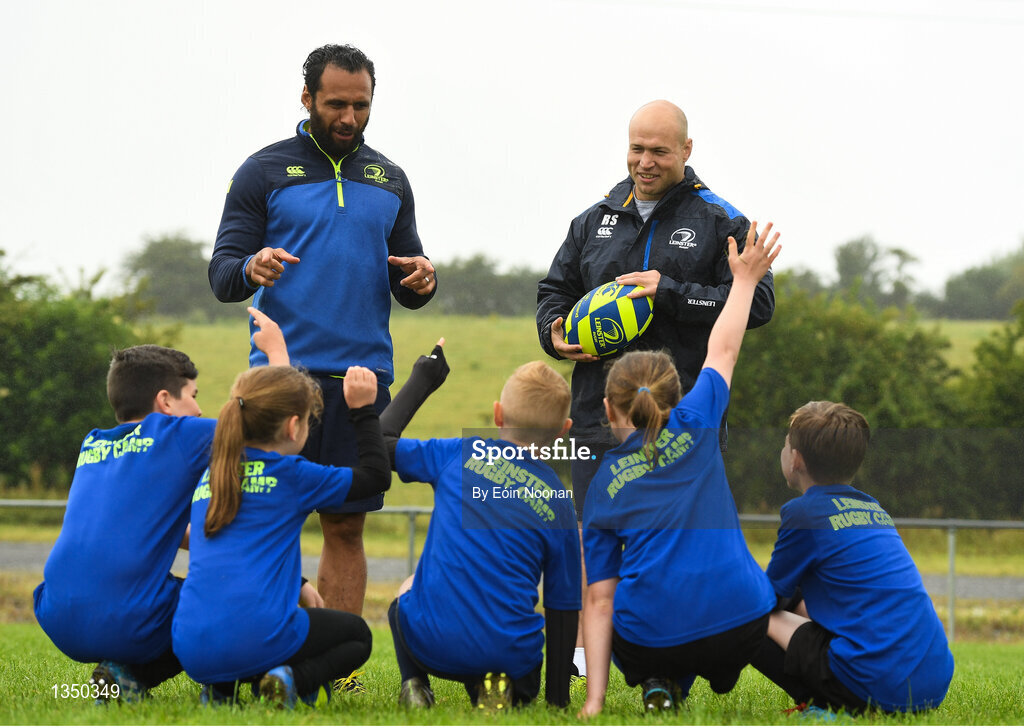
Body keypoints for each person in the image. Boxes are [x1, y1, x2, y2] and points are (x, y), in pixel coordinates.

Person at [536, 100, 775, 672]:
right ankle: (576, 656)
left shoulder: (721, 220)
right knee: (592, 531)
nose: (645, 162)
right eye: (637, 148)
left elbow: (758, 302)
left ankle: (676, 649)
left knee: (678, 539)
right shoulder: (593, 219)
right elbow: (553, 293)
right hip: (598, 414)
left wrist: (669, 290)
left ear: (686, 151)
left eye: (659, 151)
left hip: (682, 420)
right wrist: (555, 332)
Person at [208, 43, 437, 616]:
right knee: (262, 521)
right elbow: (222, 274)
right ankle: (258, 648)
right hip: (280, 381)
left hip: (361, 382)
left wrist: (423, 282)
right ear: (307, 97)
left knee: (346, 527)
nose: (349, 118)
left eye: (362, 106)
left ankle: (339, 664)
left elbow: (406, 274)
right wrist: (248, 267)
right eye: (336, 104)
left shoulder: (391, 179)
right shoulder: (261, 171)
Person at [33, 308, 287, 701]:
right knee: (221, 598)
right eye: (194, 396)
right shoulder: (179, 434)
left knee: (177, 594)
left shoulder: (93, 443)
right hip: (122, 620)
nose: (200, 410)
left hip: (55, 614)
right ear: (166, 401)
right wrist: (276, 353)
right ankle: (224, 686)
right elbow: (271, 425)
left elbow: (144, 530)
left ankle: (125, 677)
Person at [580, 222, 781, 716]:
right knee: (726, 615)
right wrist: (745, 280)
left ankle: (657, 680)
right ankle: (715, 673)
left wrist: (594, 701)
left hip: (653, 641)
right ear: (676, 396)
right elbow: (724, 349)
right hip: (739, 630)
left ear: (607, 409)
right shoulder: (698, 420)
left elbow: (599, 601)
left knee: (639, 604)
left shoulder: (604, 483)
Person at [171, 362, 392, 708]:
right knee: (357, 636)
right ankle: (290, 680)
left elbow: (240, 550)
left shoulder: (214, 475)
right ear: (293, 427)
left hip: (191, 646)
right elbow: (376, 477)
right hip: (258, 640)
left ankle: (220, 691)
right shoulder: (293, 475)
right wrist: (363, 410)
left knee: (234, 622)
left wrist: (298, 581)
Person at [379, 351, 581, 711]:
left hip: (431, 645)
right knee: (513, 638)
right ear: (564, 431)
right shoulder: (558, 500)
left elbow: (379, 445)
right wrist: (557, 702)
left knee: (407, 590)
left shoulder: (460, 453)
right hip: (510, 657)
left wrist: (422, 381)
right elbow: (563, 607)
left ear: (498, 414)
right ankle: (493, 686)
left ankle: (415, 685)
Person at [750, 401, 955, 715]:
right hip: (932, 683)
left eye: (785, 443)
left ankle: (823, 707)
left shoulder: (804, 512)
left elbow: (767, 599)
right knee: (801, 598)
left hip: (880, 686)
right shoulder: (873, 508)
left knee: (746, 615)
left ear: (795, 460)